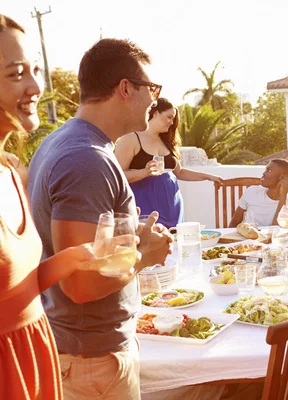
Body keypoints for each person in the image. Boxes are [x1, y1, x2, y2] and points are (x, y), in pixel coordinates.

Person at [28, 38, 172, 399]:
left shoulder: (63, 142)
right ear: (126, 88)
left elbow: (79, 250)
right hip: (91, 363)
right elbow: (79, 286)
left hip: (81, 354)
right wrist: (145, 255)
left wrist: (131, 237)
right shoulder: (87, 158)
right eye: (151, 87)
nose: (155, 98)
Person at [0, 15, 127, 399]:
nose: (36, 86)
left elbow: (15, 288)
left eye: (35, 69)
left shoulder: (9, 172)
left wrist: (76, 257)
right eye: (15, 73)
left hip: (37, 366)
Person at [115, 97, 224, 227]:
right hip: (145, 205)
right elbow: (118, 176)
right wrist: (145, 172)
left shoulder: (167, 142)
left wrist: (208, 176)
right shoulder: (130, 139)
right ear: (155, 114)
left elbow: (180, 172)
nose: (172, 122)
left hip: (173, 206)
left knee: (174, 243)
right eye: (169, 117)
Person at [228, 159, 288, 227]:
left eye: (269, 170)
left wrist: (283, 196)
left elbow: (277, 231)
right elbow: (234, 223)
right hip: (246, 237)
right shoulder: (251, 192)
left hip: (271, 237)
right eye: (265, 170)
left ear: (282, 178)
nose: (264, 173)